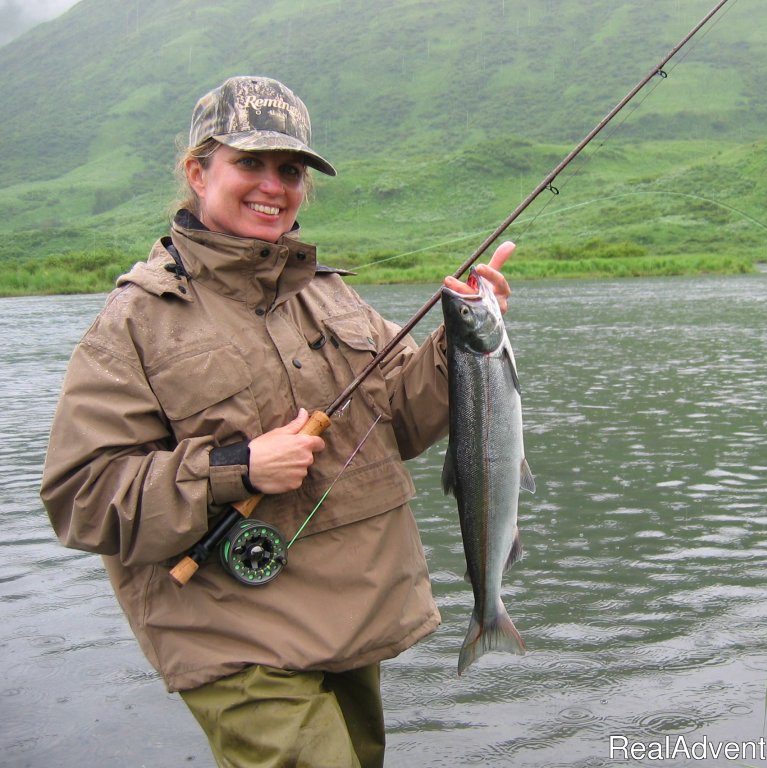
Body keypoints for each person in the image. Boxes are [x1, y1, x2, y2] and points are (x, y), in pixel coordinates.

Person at [40, 75, 512, 768]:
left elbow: (404, 422)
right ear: (198, 173)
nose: (273, 185)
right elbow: (80, 499)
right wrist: (235, 470)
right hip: (231, 638)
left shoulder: (329, 295)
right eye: (249, 163)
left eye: (289, 170)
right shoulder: (135, 322)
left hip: (352, 613)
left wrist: (465, 340)